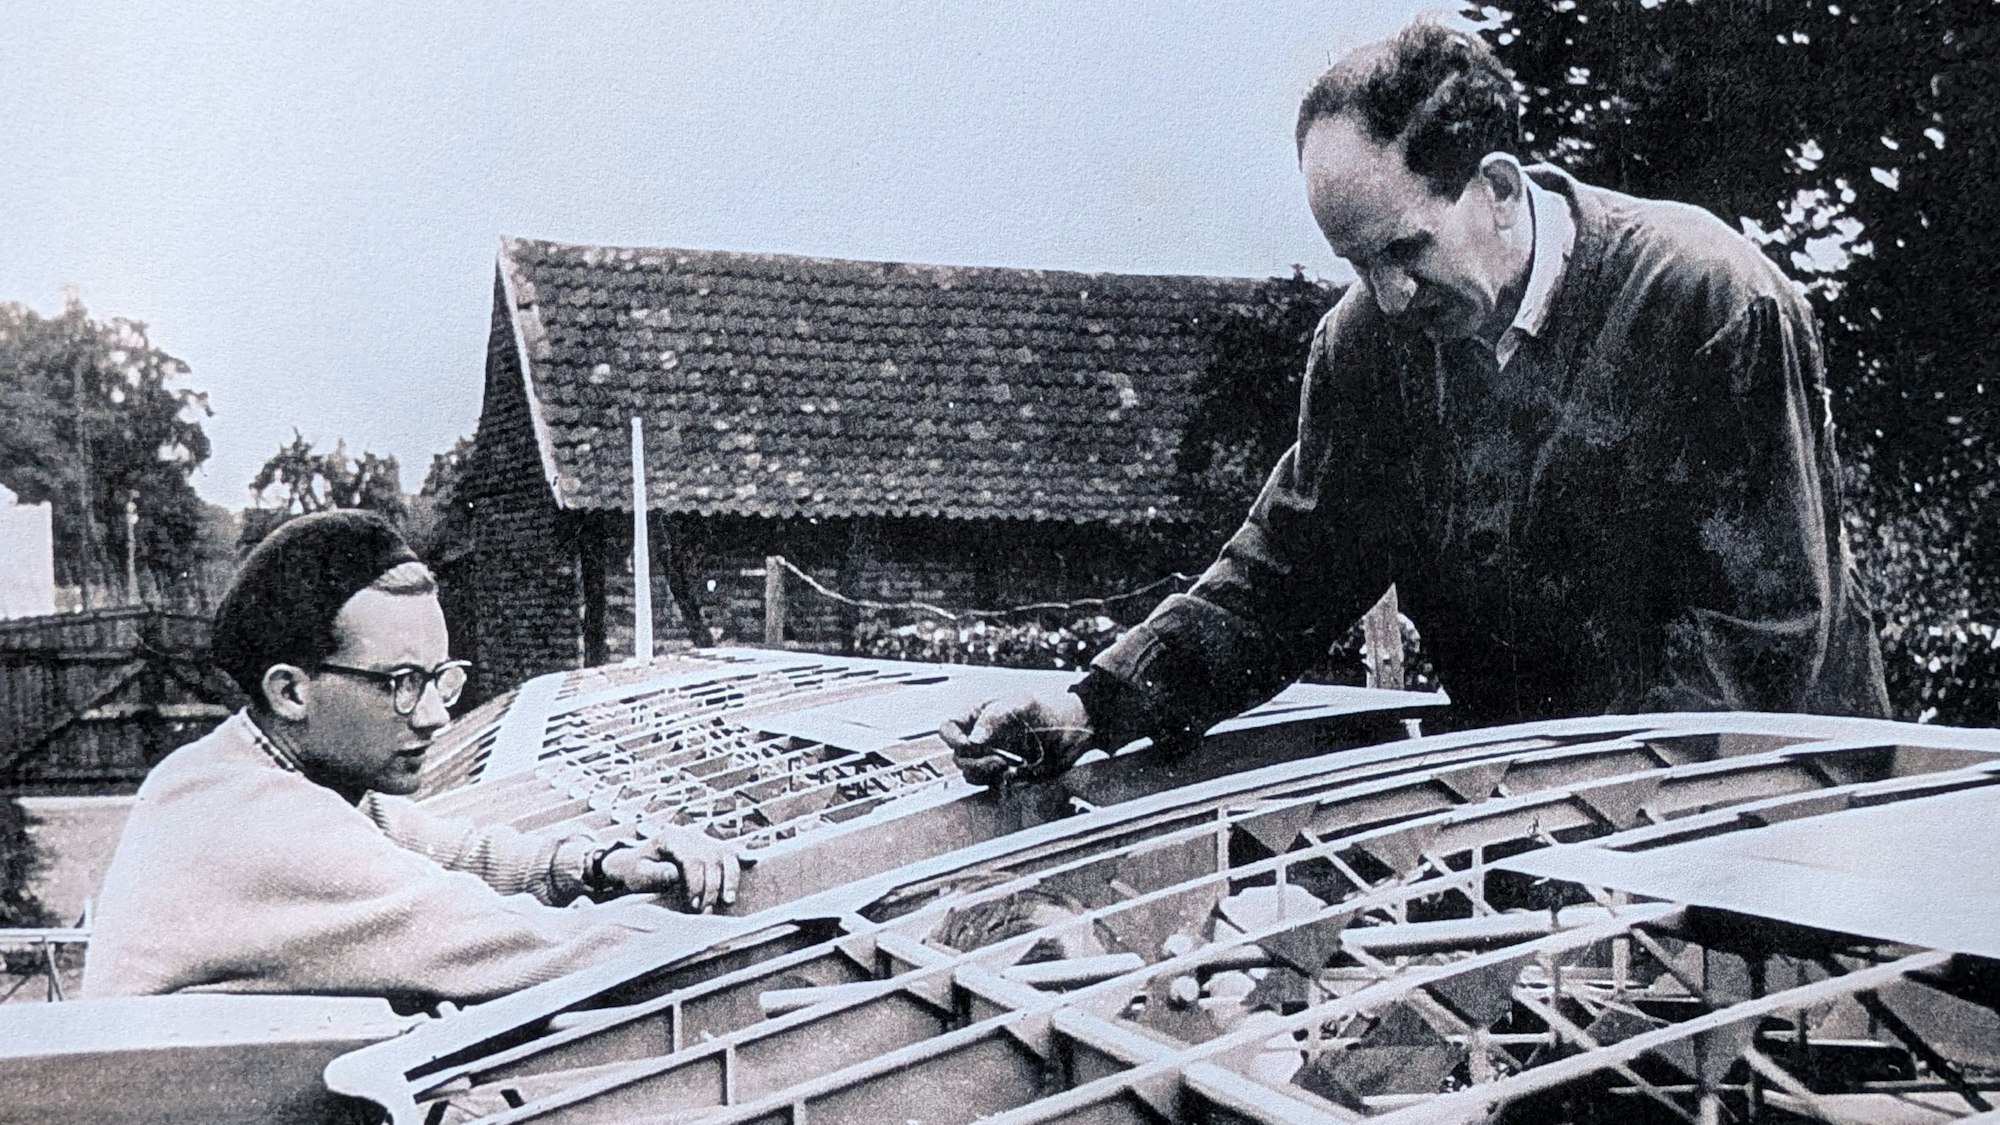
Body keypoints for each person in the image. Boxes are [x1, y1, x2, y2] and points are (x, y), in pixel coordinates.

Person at [947, 20, 1889, 786]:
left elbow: (1760, 636)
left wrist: (1578, 801)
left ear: (1499, 189)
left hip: (1782, 815)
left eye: (1404, 249)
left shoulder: (1707, 300)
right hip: (1541, 823)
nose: (1387, 294)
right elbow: (1287, 572)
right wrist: (1093, 705)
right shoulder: (1365, 347)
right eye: (1354, 262)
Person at [82, 510, 740, 1004]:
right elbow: (522, 943)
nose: (435, 713)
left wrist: (605, 862)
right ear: (290, 690)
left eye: (439, 677)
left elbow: (461, 853)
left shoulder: (246, 767)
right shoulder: (267, 825)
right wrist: (751, 923)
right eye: (400, 683)